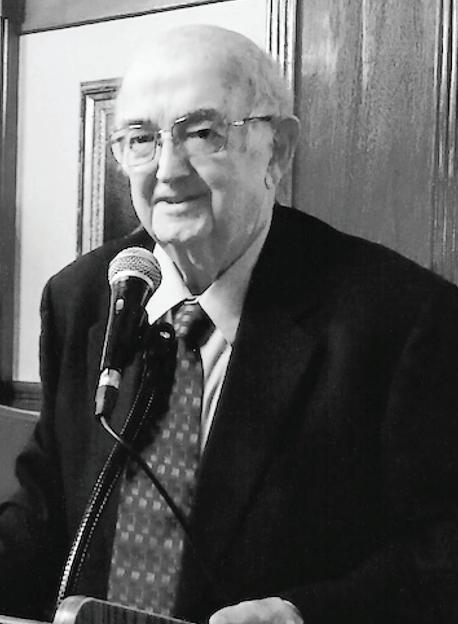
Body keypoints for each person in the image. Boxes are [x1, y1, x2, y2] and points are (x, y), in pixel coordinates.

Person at [1, 23, 458, 624]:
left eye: (201, 133)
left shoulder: (402, 319)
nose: (167, 169)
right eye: (140, 139)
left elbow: (442, 554)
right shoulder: (83, 297)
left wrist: (304, 613)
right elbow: (41, 518)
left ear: (278, 150)